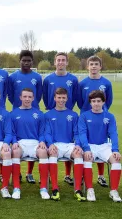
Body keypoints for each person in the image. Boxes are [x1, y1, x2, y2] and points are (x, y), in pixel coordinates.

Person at [43, 52, 79, 185]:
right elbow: (45, 96)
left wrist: (68, 109)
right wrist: (49, 107)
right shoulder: (48, 79)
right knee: (54, 139)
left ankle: (68, 175)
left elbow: (75, 96)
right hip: (52, 113)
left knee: (68, 140)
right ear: (55, 62)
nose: (61, 62)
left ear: (67, 62)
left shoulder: (73, 79)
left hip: (68, 113)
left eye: (63, 60)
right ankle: (52, 180)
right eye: (58, 60)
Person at [79, 90, 121, 202]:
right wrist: (86, 149)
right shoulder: (84, 116)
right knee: (87, 159)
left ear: (103, 102)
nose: (96, 103)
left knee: (116, 161)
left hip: (104, 146)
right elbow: (82, 134)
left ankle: (113, 191)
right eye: (93, 101)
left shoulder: (110, 116)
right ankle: (90, 189)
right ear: (90, 102)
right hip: (90, 146)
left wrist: (115, 150)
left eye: (98, 101)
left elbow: (113, 133)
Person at [77, 55, 113, 187]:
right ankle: (82, 175)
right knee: (84, 144)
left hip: (101, 118)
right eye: (91, 64)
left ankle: (101, 175)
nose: (93, 66)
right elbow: (80, 102)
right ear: (87, 66)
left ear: (100, 66)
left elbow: (108, 100)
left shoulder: (107, 83)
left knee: (101, 143)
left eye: (96, 64)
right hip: (86, 118)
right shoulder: (82, 83)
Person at [8, 50, 42, 183]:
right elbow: (10, 95)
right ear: (20, 61)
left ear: (32, 62)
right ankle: (18, 173)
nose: (26, 63)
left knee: (32, 138)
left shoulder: (37, 77)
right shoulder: (13, 77)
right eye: (24, 60)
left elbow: (38, 95)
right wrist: (18, 105)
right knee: (17, 142)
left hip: (33, 110)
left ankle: (29, 172)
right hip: (18, 110)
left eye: (29, 60)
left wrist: (32, 105)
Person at [44, 88, 85, 201]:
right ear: (54, 98)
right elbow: (47, 133)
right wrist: (51, 144)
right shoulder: (48, 115)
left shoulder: (73, 115)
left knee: (78, 154)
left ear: (67, 98)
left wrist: (77, 144)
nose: (61, 100)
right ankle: (55, 189)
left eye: (63, 98)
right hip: (55, 144)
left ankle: (77, 189)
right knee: (52, 154)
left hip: (69, 145)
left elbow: (77, 133)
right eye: (59, 97)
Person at [11, 88, 49, 200]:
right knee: (15, 152)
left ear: (33, 98)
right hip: (20, 143)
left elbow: (42, 132)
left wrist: (42, 141)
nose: (27, 99)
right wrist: (14, 142)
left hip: (35, 143)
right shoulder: (13, 114)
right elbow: (11, 132)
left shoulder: (39, 114)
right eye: (25, 96)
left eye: (29, 97)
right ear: (20, 97)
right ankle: (16, 188)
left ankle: (43, 188)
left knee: (43, 152)